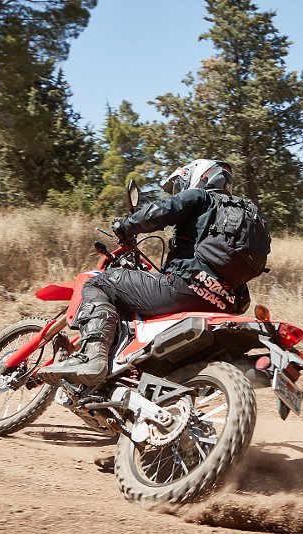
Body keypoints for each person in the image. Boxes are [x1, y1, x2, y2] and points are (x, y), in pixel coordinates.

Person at [41, 159, 251, 386]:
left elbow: (161, 212)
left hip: (182, 289)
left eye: (181, 185)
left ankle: (93, 358)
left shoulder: (201, 197)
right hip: (224, 304)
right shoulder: (245, 217)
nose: (181, 190)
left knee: (97, 284)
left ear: (200, 176)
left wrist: (126, 225)